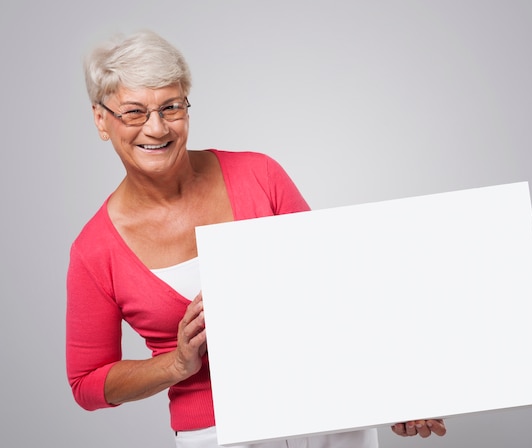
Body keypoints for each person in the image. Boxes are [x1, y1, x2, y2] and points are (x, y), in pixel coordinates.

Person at [65, 29, 446, 448]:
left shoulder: (258, 175)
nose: (156, 128)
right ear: (101, 119)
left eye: (171, 107)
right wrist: (175, 365)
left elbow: (338, 294)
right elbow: (87, 382)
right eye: (134, 112)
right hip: (217, 433)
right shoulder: (94, 250)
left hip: (332, 411)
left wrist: (396, 390)